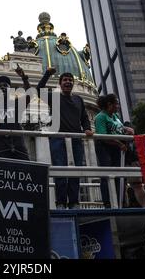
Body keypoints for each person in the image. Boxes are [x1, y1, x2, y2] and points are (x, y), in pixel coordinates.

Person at [38, 71, 93, 209]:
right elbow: (38, 90)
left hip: (76, 138)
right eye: (65, 80)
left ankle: (74, 202)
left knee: (76, 170)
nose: (68, 82)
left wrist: (87, 128)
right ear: (60, 83)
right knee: (60, 169)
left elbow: (84, 117)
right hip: (58, 138)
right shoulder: (54, 97)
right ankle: (61, 202)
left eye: (70, 80)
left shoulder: (78, 99)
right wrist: (47, 74)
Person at [94, 94, 133, 208]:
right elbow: (103, 136)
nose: (118, 106)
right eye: (116, 103)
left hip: (117, 149)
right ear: (109, 104)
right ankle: (108, 202)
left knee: (119, 174)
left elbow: (118, 128)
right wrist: (120, 144)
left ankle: (120, 199)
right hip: (105, 147)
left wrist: (127, 129)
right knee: (107, 174)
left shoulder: (115, 116)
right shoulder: (100, 117)